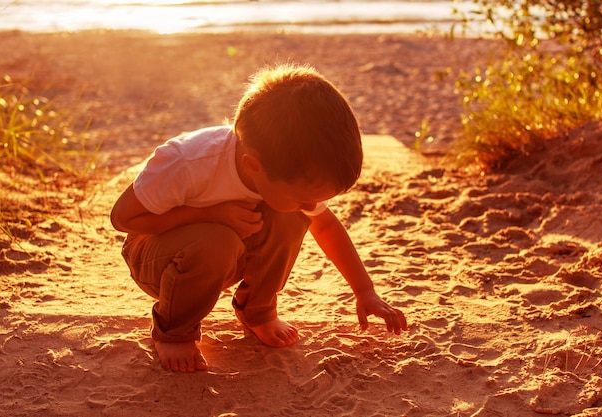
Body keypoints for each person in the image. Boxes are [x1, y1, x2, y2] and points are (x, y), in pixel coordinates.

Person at [110, 63, 407, 373]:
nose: (312, 204)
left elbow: (327, 226)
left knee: (290, 216)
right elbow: (123, 219)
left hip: (222, 257)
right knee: (219, 240)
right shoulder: (188, 162)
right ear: (253, 166)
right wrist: (210, 213)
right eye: (305, 196)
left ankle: (258, 311)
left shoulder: (284, 170)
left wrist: (364, 291)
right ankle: (173, 331)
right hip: (156, 258)